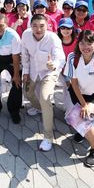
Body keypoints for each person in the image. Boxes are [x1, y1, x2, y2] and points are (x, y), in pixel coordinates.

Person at [21, 14, 65, 152]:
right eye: (34, 25)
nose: (38, 29)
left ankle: (48, 137)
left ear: (47, 26)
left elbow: (60, 57)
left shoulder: (53, 38)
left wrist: (54, 65)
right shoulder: (26, 35)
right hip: (33, 69)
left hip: (49, 72)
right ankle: (41, 108)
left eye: (42, 26)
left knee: (45, 97)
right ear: (30, 26)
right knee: (27, 93)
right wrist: (26, 72)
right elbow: (25, 54)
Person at [65, 29, 94, 166]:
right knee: (77, 116)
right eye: (82, 43)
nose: (86, 47)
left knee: (85, 117)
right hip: (78, 92)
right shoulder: (73, 57)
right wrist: (83, 104)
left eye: (90, 43)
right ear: (78, 44)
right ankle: (82, 132)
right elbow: (74, 83)